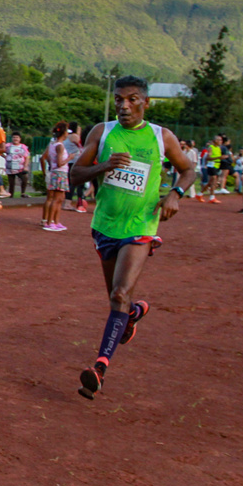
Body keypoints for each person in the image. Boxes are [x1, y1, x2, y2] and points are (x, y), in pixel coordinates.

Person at [69, 76, 194, 400]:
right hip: (105, 227)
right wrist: (103, 166)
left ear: (145, 103)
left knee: (120, 293)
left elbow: (188, 169)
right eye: (119, 100)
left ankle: (99, 369)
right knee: (117, 299)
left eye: (132, 99)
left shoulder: (161, 137)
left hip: (141, 226)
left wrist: (175, 194)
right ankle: (132, 314)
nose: (124, 106)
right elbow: (75, 174)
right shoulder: (102, 132)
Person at [40, 122, 70, 231]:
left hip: (57, 173)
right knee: (56, 199)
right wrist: (70, 158)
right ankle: (50, 222)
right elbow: (59, 163)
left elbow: (47, 158)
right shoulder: (59, 146)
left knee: (60, 198)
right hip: (59, 173)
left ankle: (55, 222)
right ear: (64, 133)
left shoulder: (53, 145)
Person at [62, 122, 83, 210]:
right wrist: (79, 134)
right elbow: (81, 145)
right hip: (74, 160)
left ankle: (66, 202)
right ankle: (68, 203)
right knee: (74, 183)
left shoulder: (66, 136)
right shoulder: (74, 136)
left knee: (70, 182)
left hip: (69, 161)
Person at [5, 131, 30, 198]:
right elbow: (0, 150)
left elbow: (27, 157)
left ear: (20, 139)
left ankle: (23, 193)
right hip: (10, 167)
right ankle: (11, 196)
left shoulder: (23, 147)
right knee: (11, 183)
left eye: (17, 137)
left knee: (24, 179)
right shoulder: (8, 146)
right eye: (14, 137)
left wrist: (25, 166)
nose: (15, 139)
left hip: (20, 167)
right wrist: (5, 156)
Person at [201, 135, 225, 203]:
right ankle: (212, 197)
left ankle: (200, 193)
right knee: (214, 181)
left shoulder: (219, 148)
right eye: (220, 140)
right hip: (212, 165)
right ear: (215, 141)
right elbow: (208, 158)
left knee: (211, 182)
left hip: (217, 166)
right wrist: (219, 158)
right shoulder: (211, 147)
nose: (221, 141)